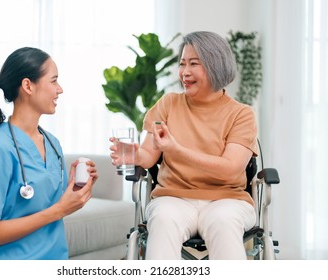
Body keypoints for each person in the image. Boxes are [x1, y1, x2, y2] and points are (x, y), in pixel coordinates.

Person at [110, 31, 258, 260]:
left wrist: (177, 150)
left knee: (223, 222)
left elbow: (230, 167)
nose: (184, 72)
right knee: (163, 220)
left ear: (216, 65)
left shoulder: (241, 114)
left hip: (227, 200)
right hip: (174, 198)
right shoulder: (168, 104)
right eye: (182, 64)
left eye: (194, 64)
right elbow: (149, 154)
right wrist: (133, 155)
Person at [0, 47, 98, 260]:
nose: (60, 89)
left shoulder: (53, 144)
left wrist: (73, 188)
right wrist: (59, 210)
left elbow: (47, 204)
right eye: (53, 81)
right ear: (28, 85)